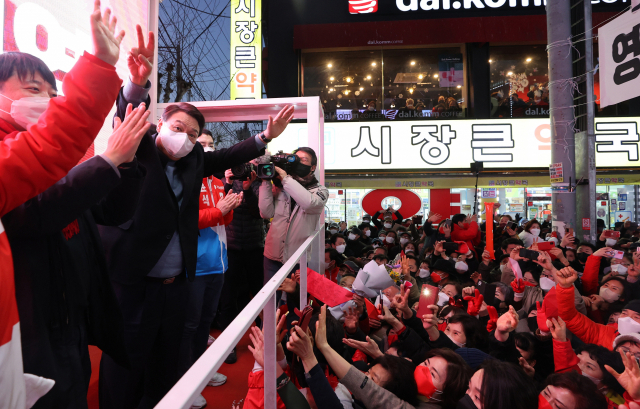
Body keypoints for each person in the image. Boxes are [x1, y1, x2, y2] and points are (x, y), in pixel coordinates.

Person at [97, 26, 296, 409]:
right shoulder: (140, 148)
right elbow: (127, 113)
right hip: (134, 279)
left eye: (193, 133)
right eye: (178, 129)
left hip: (176, 284)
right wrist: (137, 84)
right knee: (126, 359)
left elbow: (226, 157)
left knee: (166, 359)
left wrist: (263, 137)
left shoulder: (193, 160)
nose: (185, 138)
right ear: (159, 125)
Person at [0, 3, 128, 407]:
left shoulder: (62, 158)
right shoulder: (19, 156)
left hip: (70, 321)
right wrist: (107, 162)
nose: (49, 100)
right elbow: (33, 214)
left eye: (53, 92)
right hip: (30, 329)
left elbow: (110, 210)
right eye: (34, 89)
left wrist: (127, 161)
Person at [176, 169, 244, 408]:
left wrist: (231, 206)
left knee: (205, 324)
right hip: (194, 264)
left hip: (219, 263)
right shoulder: (183, 178)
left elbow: (225, 220)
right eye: (200, 142)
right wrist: (219, 210)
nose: (204, 149)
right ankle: (185, 383)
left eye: (209, 144)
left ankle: (201, 373)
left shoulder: (216, 182)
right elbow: (185, 219)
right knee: (189, 326)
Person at [216, 163, 265, 364]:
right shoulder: (224, 182)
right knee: (228, 299)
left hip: (255, 248)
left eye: (251, 165)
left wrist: (248, 189)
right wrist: (227, 184)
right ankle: (229, 346)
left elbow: (259, 212)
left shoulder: (260, 183)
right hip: (231, 249)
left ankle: (267, 341)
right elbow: (219, 209)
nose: (245, 170)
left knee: (261, 297)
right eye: (242, 165)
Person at [260, 147, 329, 283]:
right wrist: (266, 180)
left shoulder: (320, 191)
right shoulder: (280, 187)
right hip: (271, 256)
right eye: (296, 159)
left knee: (295, 300)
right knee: (270, 300)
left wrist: (286, 178)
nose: (298, 163)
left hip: (297, 259)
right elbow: (265, 212)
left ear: (312, 167)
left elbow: (309, 204)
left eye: (304, 160)